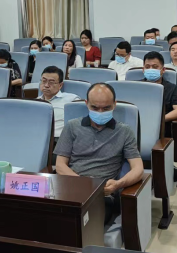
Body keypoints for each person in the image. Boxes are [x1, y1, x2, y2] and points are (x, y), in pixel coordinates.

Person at [55, 83, 144, 224]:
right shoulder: (72, 126)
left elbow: (138, 168)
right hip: (71, 187)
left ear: (114, 105)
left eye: (106, 108)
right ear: (86, 104)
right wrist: (82, 183)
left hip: (101, 195)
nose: (100, 112)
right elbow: (60, 165)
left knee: (81, 224)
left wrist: (118, 184)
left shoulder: (124, 132)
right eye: (95, 108)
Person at [142, 51, 177, 187]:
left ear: (163, 70)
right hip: (138, 126)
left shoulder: (171, 88)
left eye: (155, 67)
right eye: (147, 67)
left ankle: (172, 172)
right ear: (143, 69)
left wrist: (158, 120)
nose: (151, 69)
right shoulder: (136, 86)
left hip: (162, 128)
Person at [37, 66, 78, 138]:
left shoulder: (72, 99)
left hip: (59, 139)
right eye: (44, 81)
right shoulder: (35, 102)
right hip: (37, 137)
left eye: (51, 82)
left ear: (60, 85)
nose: (46, 85)